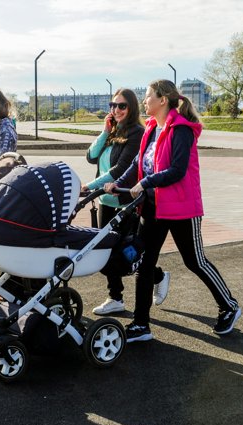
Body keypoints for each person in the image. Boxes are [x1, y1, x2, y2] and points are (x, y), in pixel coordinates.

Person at [106, 79, 241, 342]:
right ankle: (141, 324)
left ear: (162, 100)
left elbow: (177, 170)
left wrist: (145, 182)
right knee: (144, 263)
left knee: (194, 261)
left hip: (181, 208)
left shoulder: (181, 130)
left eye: (148, 97)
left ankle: (229, 305)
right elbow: (138, 163)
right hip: (153, 207)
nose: (145, 101)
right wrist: (118, 185)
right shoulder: (152, 129)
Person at [80, 88, 170, 316]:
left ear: (131, 108)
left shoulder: (137, 133)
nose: (116, 110)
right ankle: (115, 297)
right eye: (113, 105)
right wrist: (104, 131)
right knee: (106, 251)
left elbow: (119, 169)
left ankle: (157, 275)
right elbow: (91, 157)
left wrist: (90, 188)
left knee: (126, 252)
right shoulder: (113, 131)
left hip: (125, 202)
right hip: (106, 200)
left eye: (121, 106)